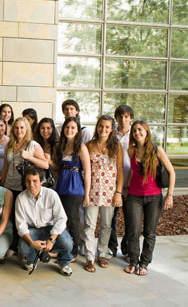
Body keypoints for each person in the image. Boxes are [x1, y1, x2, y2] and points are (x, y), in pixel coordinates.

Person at [123, 121, 175, 276]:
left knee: (150, 232)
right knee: (133, 231)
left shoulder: (157, 150)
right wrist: (126, 187)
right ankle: (133, 261)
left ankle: (144, 263)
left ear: (146, 132)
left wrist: (169, 195)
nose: (137, 133)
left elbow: (172, 172)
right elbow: (133, 171)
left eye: (140, 130)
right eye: (134, 130)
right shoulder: (130, 150)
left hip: (154, 197)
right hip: (134, 197)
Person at [83, 115, 123, 272]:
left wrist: (118, 192)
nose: (103, 129)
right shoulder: (89, 145)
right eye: (101, 126)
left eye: (107, 127)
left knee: (106, 225)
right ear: (96, 127)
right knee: (89, 225)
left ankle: (102, 253)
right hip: (92, 190)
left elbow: (120, 170)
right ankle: (89, 257)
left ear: (112, 128)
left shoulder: (116, 146)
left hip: (109, 192)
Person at [1, 117, 48, 251]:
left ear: (26, 129)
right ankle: (13, 245)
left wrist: (29, 157)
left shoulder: (33, 145)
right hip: (10, 186)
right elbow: (5, 167)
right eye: (16, 128)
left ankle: (24, 248)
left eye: (22, 127)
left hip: (25, 187)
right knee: (10, 217)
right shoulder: (9, 145)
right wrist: (3, 185)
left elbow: (45, 164)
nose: (19, 130)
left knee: (23, 218)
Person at [16, 166, 73, 276]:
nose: (31, 185)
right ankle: (32, 260)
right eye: (28, 181)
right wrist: (32, 242)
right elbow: (21, 225)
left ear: (41, 181)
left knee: (67, 242)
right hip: (33, 230)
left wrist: (51, 240)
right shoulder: (21, 198)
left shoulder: (51, 195)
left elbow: (61, 219)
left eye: (35, 181)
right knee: (23, 247)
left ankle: (64, 263)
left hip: (50, 229)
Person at [55, 117, 91, 259]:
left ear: (77, 130)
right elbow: (58, 167)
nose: (69, 130)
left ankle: (73, 251)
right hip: (61, 185)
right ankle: (63, 247)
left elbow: (87, 171)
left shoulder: (81, 147)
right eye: (67, 127)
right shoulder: (61, 146)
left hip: (75, 187)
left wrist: (87, 194)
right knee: (60, 218)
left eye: (73, 128)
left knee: (72, 219)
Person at [109, 105, 134, 258]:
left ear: (130, 118)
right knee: (110, 217)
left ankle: (127, 247)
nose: (123, 119)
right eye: (120, 116)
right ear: (116, 118)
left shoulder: (136, 133)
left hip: (132, 184)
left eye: (126, 116)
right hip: (113, 183)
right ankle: (112, 247)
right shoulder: (112, 134)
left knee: (131, 219)